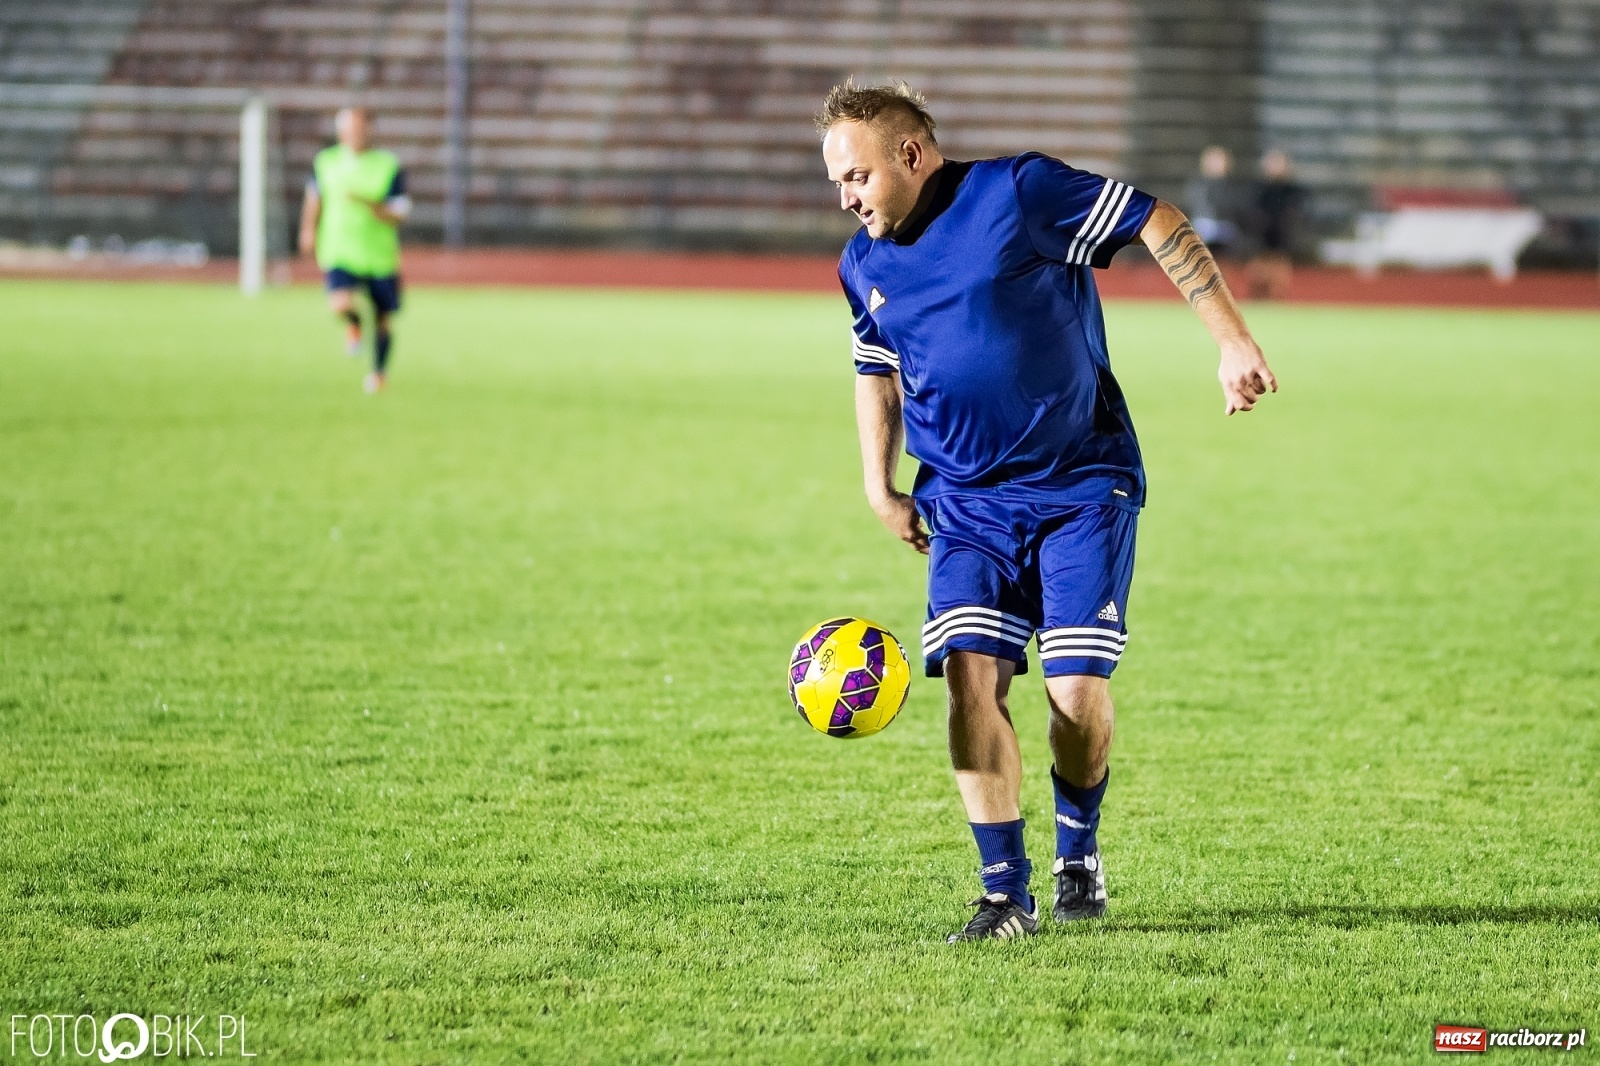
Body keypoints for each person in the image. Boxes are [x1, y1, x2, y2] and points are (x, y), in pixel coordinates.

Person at [819, 81, 1276, 942]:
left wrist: (1230, 339)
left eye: (857, 176)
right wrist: (879, 483)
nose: (846, 197)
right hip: (962, 500)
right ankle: (1003, 895)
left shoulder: (1017, 193)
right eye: (838, 182)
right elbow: (874, 367)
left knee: (1073, 690)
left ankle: (1079, 853)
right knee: (968, 677)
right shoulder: (862, 264)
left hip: (1080, 483)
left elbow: (1158, 219)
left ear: (911, 156)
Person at [298, 108, 411, 393]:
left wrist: (369, 204)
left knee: (383, 317)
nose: (355, 135)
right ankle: (354, 323)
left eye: (360, 129)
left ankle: (379, 373)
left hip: (378, 253)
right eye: (349, 129)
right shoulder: (326, 161)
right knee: (340, 304)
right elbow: (314, 198)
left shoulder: (387, 165)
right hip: (339, 248)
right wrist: (308, 229)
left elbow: (400, 212)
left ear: (370, 130)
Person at [1245, 149, 1304, 300]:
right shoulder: (1257, 189)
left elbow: (1295, 217)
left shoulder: (1293, 191)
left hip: (1281, 244)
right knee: (1258, 283)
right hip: (1259, 243)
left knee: (1277, 286)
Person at [1184, 145, 1242, 256]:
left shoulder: (1232, 186)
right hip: (1204, 224)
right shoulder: (1198, 184)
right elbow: (1199, 205)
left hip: (1225, 225)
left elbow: (1233, 207)